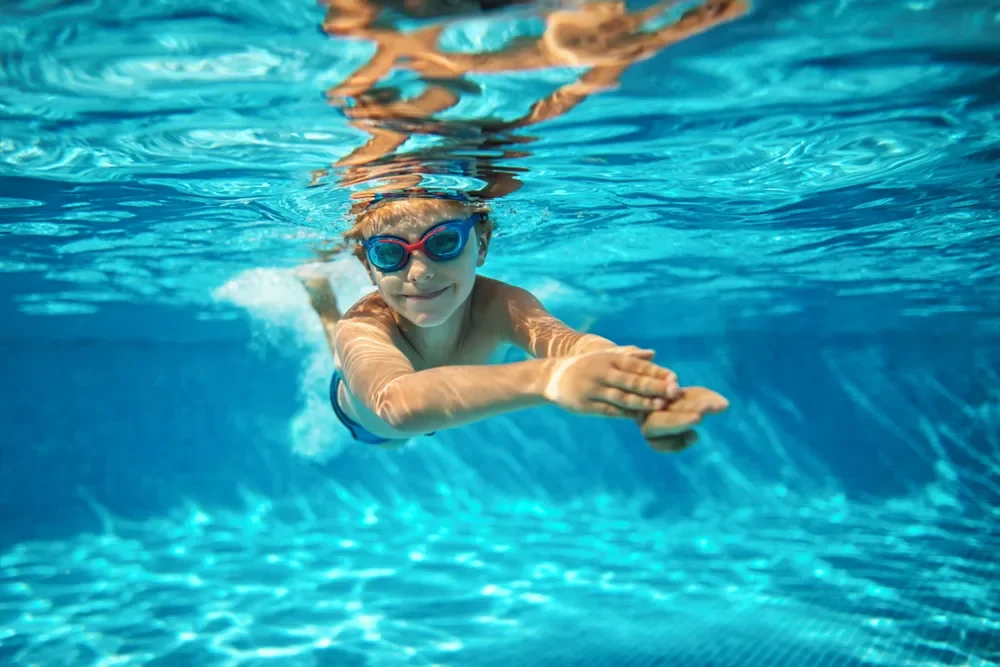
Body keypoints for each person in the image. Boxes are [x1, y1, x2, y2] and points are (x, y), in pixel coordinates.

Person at [299, 191, 728, 455]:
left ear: (481, 244)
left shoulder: (503, 304)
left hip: (433, 413)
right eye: (391, 253)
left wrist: (646, 397)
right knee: (348, 359)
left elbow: (572, 346)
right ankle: (323, 302)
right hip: (367, 421)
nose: (419, 271)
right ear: (368, 267)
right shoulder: (365, 327)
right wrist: (552, 380)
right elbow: (398, 405)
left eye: (444, 243)